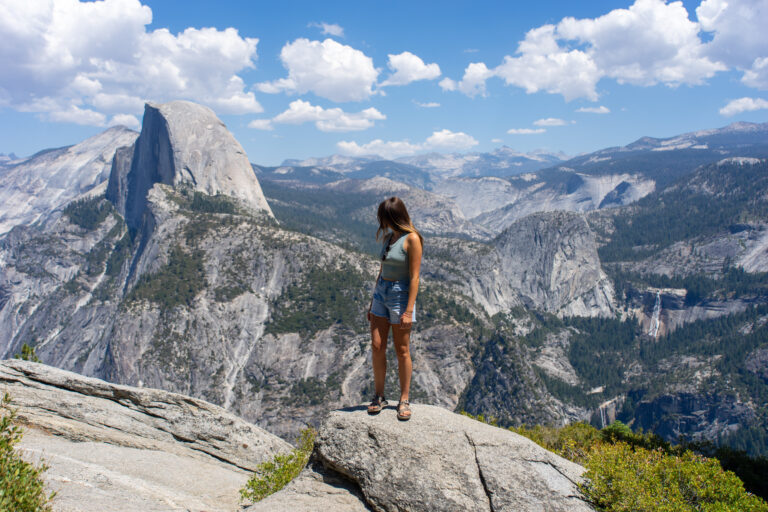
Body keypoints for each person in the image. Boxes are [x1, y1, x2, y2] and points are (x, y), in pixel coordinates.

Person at [366, 196, 423, 421]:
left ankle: (404, 399)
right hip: (381, 293)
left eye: (385, 218)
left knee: (402, 350)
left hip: (400, 295)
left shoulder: (412, 239)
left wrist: (409, 311)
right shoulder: (390, 238)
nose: (383, 222)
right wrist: (373, 301)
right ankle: (379, 396)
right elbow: (382, 269)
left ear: (394, 217)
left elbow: (415, 277)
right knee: (377, 345)